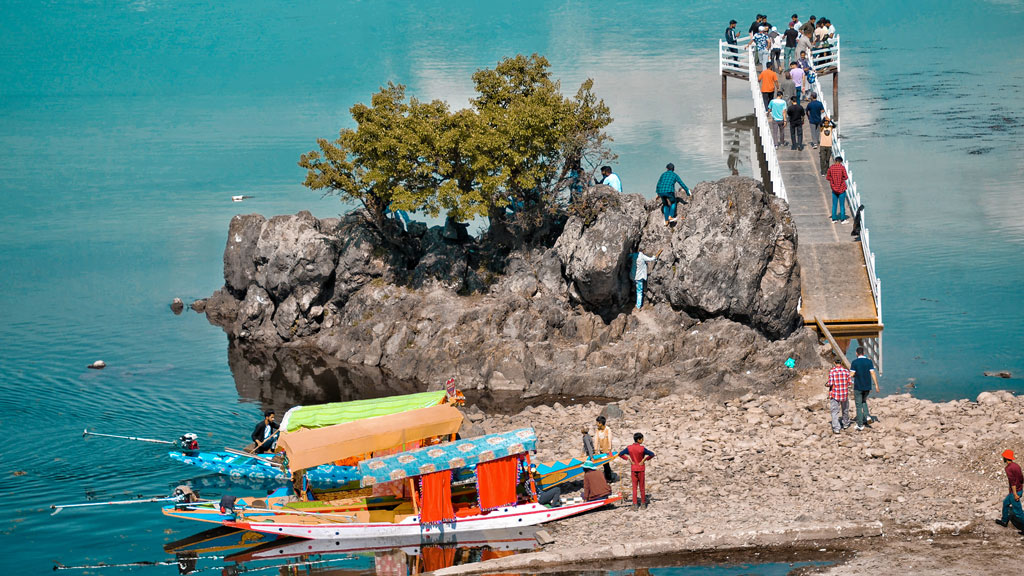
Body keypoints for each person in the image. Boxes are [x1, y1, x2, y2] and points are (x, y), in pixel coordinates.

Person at [619, 432, 655, 510]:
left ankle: (635, 504)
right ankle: (643, 503)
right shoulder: (642, 448)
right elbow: (652, 454)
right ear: (639, 439)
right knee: (642, 487)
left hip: (633, 468)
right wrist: (644, 459)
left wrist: (628, 459)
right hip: (641, 469)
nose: (642, 440)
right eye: (642, 439)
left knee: (634, 487)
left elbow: (620, 454)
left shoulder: (629, 448)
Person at [850, 346, 880, 430]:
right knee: (864, 401)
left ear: (856, 353)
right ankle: (867, 416)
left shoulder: (854, 362)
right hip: (867, 386)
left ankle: (860, 424)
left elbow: (851, 375)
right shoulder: (869, 362)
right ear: (864, 353)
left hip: (858, 386)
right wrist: (876, 385)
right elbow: (873, 373)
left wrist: (847, 377)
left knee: (858, 405)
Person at [996, 449, 1024, 528]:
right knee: (1005, 503)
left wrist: (1015, 494)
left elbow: (1012, 482)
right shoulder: (1016, 466)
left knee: (1018, 512)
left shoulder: (1008, 468)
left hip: (1014, 492)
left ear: (1005, 458)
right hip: (1019, 490)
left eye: (1003, 457)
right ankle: (1004, 521)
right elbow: (1022, 478)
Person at [826, 358, 852, 434]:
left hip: (835, 394)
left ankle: (836, 428)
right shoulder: (846, 371)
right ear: (841, 363)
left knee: (834, 411)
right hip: (844, 394)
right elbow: (850, 382)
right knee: (845, 410)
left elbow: (830, 383)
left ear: (834, 362)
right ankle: (846, 424)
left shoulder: (832, 371)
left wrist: (827, 384)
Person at [826, 155, 849, 222]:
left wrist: (832, 179)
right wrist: (841, 179)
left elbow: (827, 177)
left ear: (835, 161)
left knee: (834, 205)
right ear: (840, 162)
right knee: (842, 205)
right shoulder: (842, 168)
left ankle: (834, 219)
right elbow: (846, 177)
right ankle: (842, 219)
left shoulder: (831, 168)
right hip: (841, 189)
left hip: (834, 189)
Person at [595, 416, 614, 482]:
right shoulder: (598, 430)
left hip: (606, 450)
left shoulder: (608, 430)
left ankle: (608, 478)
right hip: (601, 450)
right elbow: (596, 439)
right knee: (604, 464)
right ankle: (607, 477)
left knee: (606, 464)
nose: (596, 424)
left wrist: (609, 448)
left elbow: (609, 439)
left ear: (601, 423)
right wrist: (596, 449)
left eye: (597, 422)